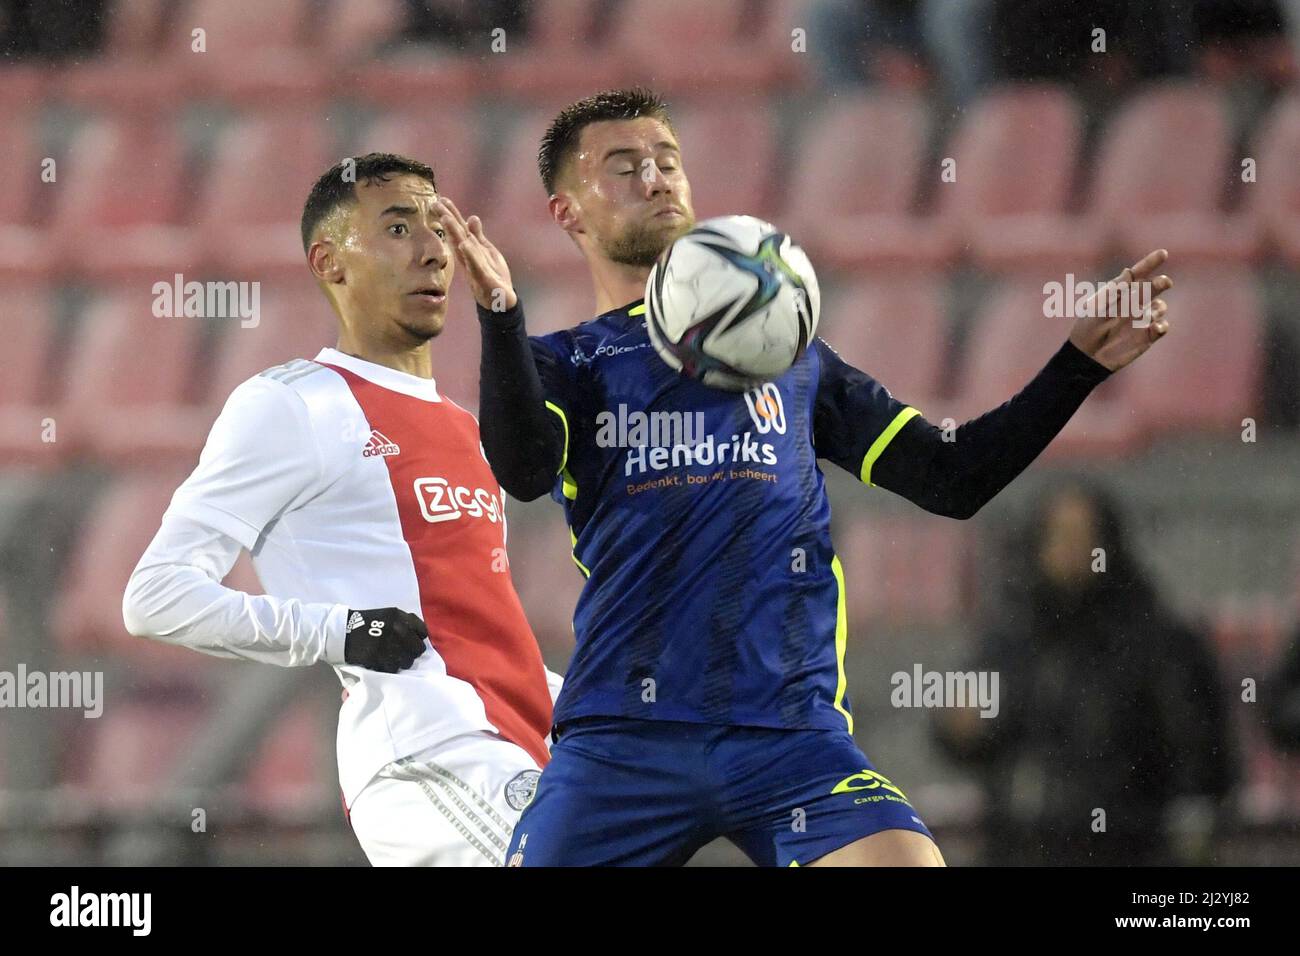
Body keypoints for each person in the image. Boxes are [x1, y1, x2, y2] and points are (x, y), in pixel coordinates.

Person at [438, 87, 1173, 866]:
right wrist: (501, 319)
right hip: (624, 739)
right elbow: (520, 470)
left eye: (667, 160)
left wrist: (1075, 369)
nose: (656, 179)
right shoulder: (567, 365)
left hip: (788, 735)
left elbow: (954, 479)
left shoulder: (791, 356)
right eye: (623, 168)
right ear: (567, 213)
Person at [123, 152, 560, 867]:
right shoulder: (291, 405)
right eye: (396, 228)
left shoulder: (466, 429)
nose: (430, 249)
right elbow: (156, 597)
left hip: (528, 753)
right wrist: (342, 632)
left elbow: (483, 636)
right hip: (428, 759)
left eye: (436, 227)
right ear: (330, 262)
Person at [933, 480, 1237, 865]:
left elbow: (1201, 757)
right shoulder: (1010, 637)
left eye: (1081, 534)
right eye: (1057, 534)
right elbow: (966, 731)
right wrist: (960, 728)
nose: (1069, 549)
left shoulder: (1157, 641)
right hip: (1015, 850)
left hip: (1120, 852)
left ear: (1108, 544)